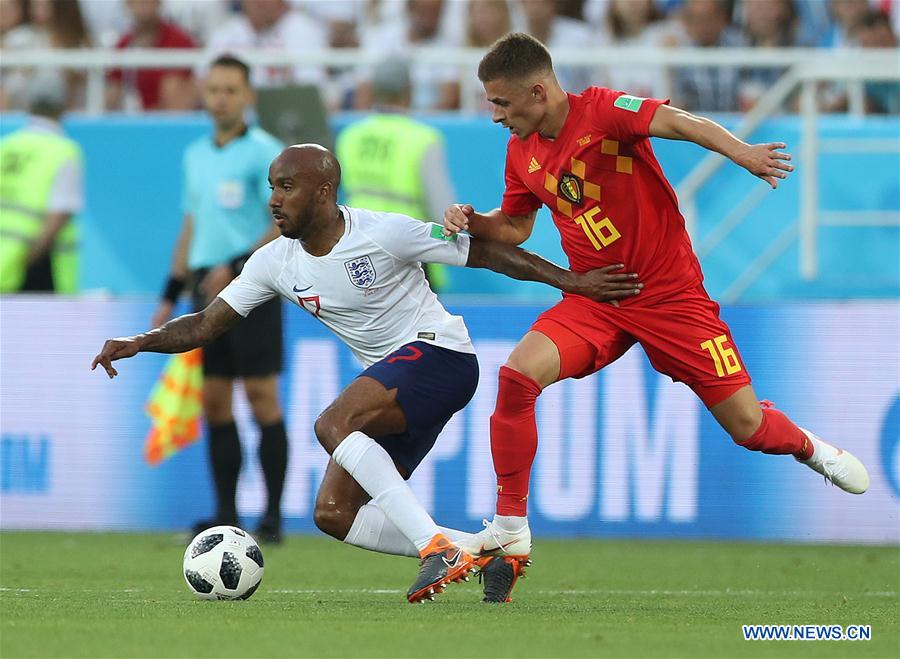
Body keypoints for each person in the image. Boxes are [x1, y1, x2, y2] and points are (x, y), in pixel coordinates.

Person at [92, 144, 642, 603]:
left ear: (324, 192)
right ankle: (482, 549)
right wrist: (140, 341)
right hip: (397, 382)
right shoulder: (273, 261)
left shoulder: (383, 233)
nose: (274, 199)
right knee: (333, 514)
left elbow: (487, 254)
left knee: (333, 424)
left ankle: (435, 548)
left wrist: (574, 283)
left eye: (287, 187)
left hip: (442, 356)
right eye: (272, 187)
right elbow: (207, 324)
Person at [442, 32, 871, 603]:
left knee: (749, 428)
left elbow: (678, 122)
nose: (495, 115)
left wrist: (741, 152)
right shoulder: (522, 151)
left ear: (538, 91)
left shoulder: (603, 112)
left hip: (670, 298)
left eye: (502, 102)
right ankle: (511, 527)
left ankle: (811, 449)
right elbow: (516, 226)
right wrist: (473, 220)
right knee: (517, 376)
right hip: (598, 297)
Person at [153, 55, 287, 543]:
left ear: (248, 95)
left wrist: (235, 265)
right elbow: (191, 224)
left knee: (261, 396)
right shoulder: (195, 155)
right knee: (214, 400)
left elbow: (282, 223)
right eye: (213, 90)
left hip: (253, 288)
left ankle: (271, 517)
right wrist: (170, 293)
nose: (221, 99)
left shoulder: (267, 153)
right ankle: (226, 512)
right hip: (204, 290)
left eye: (231, 90)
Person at [336, 57, 456, 292]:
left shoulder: (351, 135)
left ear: (373, 90)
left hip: (356, 241)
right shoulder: (423, 138)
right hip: (408, 244)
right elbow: (441, 207)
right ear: (408, 90)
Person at [0, 72, 83, 294]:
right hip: (37, 265)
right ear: (64, 106)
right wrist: (24, 264)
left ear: (29, 104)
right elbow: (58, 216)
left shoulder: (6, 146)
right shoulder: (63, 151)